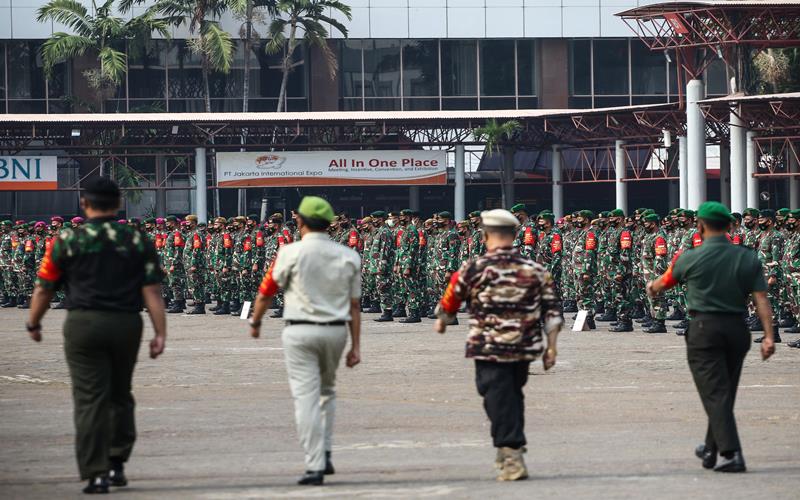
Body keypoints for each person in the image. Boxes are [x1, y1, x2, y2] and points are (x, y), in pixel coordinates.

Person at [25, 177, 167, 494]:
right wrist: (160, 333)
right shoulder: (136, 240)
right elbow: (152, 290)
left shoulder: (66, 241)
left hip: (83, 324)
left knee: (90, 399)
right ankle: (117, 462)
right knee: (119, 393)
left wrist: (34, 322)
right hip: (125, 323)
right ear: (118, 204)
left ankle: (96, 472)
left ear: (84, 204)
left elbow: (44, 287)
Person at [434, 209, 562, 482]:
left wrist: (443, 320)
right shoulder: (536, 269)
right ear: (516, 235)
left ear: (484, 234)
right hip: (524, 348)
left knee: (496, 397)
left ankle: (511, 450)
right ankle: (510, 443)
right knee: (510, 395)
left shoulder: (474, 268)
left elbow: (451, 298)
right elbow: (552, 312)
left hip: (489, 347)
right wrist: (552, 348)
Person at [647, 201, 775, 474]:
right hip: (738, 330)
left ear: (700, 226)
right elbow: (761, 299)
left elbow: (661, 284)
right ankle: (710, 448)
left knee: (715, 392)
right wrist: (768, 336)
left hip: (705, 330)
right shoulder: (746, 256)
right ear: (729, 226)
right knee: (723, 391)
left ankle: (731, 453)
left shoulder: (689, 257)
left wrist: (651, 287)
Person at [248, 196, 361, 486]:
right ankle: (324, 449)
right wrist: (356, 346)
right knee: (327, 392)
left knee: (305, 398)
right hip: (336, 332)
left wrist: (256, 321)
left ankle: (315, 464)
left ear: (299, 220)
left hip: (299, 331)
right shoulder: (349, 255)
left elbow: (266, 290)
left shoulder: (289, 253)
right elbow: (354, 306)